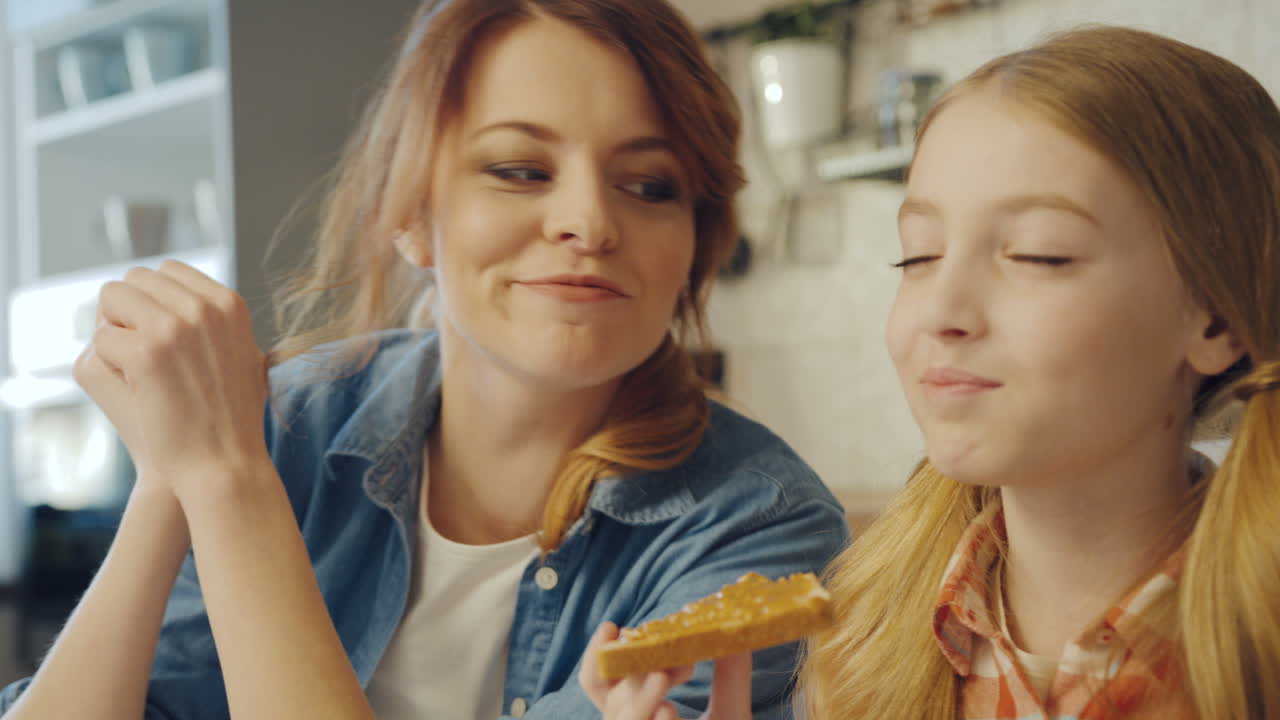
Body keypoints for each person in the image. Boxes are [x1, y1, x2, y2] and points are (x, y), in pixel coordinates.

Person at [0, 1, 850, 718]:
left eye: (651, 185)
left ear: (696, 244)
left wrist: (225, 480)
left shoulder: (757, 530)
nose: (589, 222)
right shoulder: (285, 430)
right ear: (411, 214)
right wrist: (170, 475)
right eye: (520, 170)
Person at [586, 24, 1280, 720]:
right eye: (918, 257)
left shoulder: (1258, 660)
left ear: (1215, 318)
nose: (942, 311)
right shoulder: (858, 644)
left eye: (1038, 255)